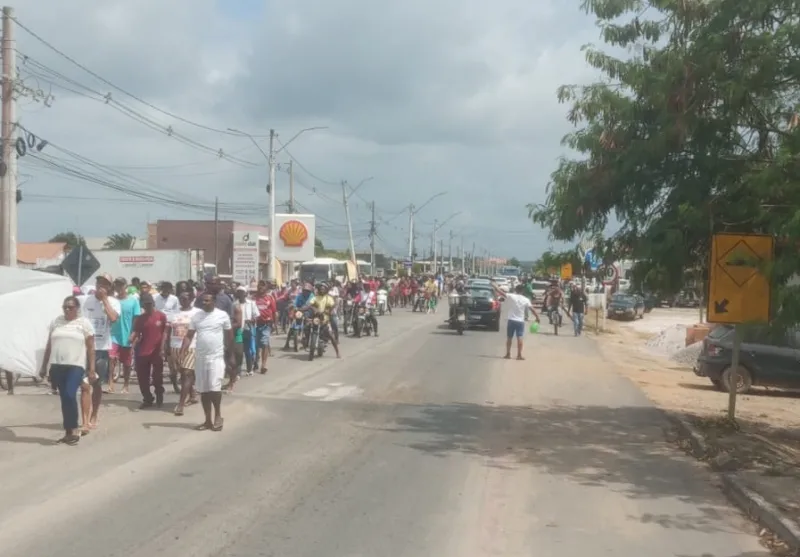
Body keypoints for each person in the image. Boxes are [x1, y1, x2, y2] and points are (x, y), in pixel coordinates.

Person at [40, 295, 96, 445]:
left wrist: (92, 369)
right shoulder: (57, 322)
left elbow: (91, 348)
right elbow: (49, 346)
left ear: (77, 308)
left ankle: (75, 427)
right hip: (57, 365)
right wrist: (44, 366)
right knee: (65, 398)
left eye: (70, 307)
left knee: (71, 394)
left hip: (75, 366)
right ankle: (68, 432)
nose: (67, 309)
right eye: (65, 307)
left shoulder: (84, 323)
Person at [181, 292, 234, 431]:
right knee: (204, 390)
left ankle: (218, 416)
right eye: (202, 301)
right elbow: (189, 335)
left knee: (214, 387)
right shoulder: (196, 317)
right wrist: (183, 350)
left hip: (216, 357)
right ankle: (207, 420)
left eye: (207, 301)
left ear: (213, 301)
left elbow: (229, 336)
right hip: (200, 358)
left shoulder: (222, 315)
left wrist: (231, 355)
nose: (204, 303)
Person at [80, 273, 120, 428]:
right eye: (99, 283)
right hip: (84, 349)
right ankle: (84, 419)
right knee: (84, 385)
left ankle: (94, 414)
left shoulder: (113, 302)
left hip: (101, 349)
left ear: (109, 287)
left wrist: (104, 300)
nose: (101, 286)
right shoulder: (84, 300)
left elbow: (113, 318)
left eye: (105, 284)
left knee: (96, 384)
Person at [130, 293, 168, 408]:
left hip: (157, 351)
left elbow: (165, 333)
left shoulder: (161, 316)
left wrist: (163, 347)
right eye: (145, 304)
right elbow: (136, 332)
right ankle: (147, 398)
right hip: (143, 350)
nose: (147, 306)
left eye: (149, 304)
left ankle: (159, 393)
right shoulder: (140, 319)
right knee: (142, 377)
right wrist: (131, 339)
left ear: (153, 303)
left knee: (157, 376)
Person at [167, 292, 200, 416]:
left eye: (186, 298)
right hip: (175, 346)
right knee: (182, 372)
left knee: (187, 373)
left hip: (191, 346)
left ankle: (180, 404)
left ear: (191, 299)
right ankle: (192, 394)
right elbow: (168, 331)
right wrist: (165, 346)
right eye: (181, 298)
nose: (183, 300)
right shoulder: (173, 313)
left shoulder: (197, 313)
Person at [492, 282, 539, 361]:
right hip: (520, 321)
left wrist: (494, 285)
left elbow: (499, 291)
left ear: (516, 290)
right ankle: (519, 355)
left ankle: (508, 354)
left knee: (509, 338)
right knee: (520, 337)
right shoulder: (526, 299)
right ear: (522, 291)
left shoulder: (511, 296)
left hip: (511, 320)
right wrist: (537, 317)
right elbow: (532, 309)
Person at [307, 283, 341, 358]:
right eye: (321, 289)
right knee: (307, 327)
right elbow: (310, 304)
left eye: (323, 289)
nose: (322, 290)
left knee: (331, 336)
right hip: (316, 319)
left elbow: (333, 306)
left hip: (325, 320)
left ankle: (337, 352)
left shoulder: (328, 298)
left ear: (326, 290)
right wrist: (315, 309)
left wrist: (329, 311)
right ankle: (305, 342)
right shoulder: (316, 297)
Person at [253, 280, 277, 374]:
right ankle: (255, 360)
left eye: (263, 286)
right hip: (255, 324)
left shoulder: (270, 298)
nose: (261, 287)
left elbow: (275, 312)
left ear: (266, 288)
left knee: (264, 343)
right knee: (255, 345)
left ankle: (264, 364)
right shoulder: (253, 298)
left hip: (266, 324)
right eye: (260, 285)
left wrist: (275, 324)